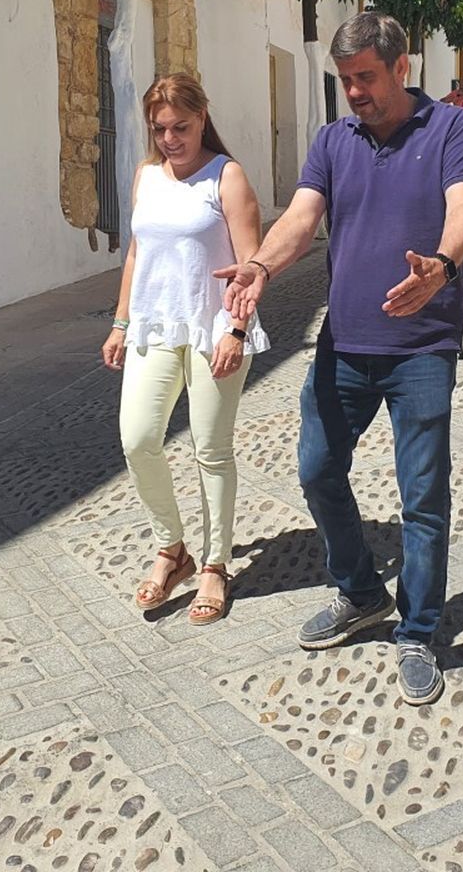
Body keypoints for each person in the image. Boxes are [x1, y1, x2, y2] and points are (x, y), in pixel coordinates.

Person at [217, 11, 463, 705]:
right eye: (345, 81)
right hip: (344, 345)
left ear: (402, 68)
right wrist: (261, 266)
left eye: (366, 77)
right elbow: (302, 218)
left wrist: (443, 269)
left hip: (422, 348)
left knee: (423, 497)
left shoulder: (452, 130)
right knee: (316, 469)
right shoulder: (334, 140)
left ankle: (419, 630)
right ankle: (362, 592)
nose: (355, 93)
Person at [102, 75, 268, 625]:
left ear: (202, 118)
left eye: (181, 127)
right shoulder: (146, 176)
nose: (170, 138)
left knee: (210, 449)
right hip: (155, 327)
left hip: (213, 328)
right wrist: (121, 322)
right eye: (160, 129)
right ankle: (172, 549)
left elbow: (250, 268)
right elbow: (136, 254)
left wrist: (237, 331)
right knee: (138, 438)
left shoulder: (227, 177)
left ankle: (216, 565)